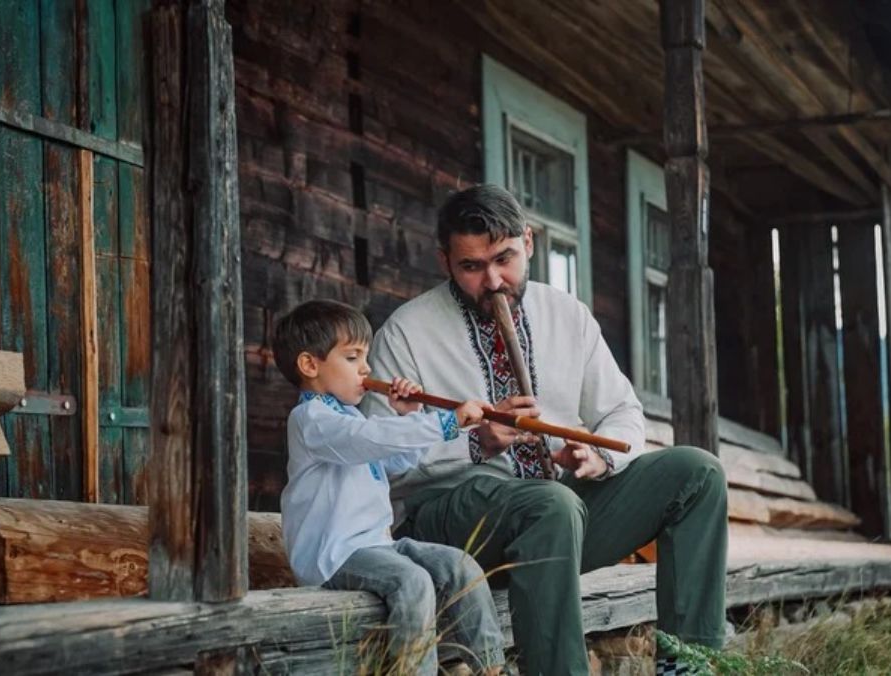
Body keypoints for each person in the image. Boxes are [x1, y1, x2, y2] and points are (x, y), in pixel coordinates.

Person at [364, 184, 729, 675]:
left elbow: (623, 413)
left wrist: (600, 460)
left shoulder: (567, 315)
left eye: (504, 258)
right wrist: (476, 443)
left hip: (559, 519)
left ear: (528, 242)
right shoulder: (406, 333)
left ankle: (690, 667)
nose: (493, 280)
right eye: (471, 266)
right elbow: (374, 462)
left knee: (697, 473)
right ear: (445, 261)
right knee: (549, 504)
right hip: (451, 530)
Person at [272, 299, 506, 675]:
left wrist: (409, 413)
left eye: (365, 358)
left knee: (459, 565)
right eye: (352, 358)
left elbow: (396, 462)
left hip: (378, 546)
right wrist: (447, 422)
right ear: (309, 365)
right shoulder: (311, 420)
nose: (366, 369)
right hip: (334, 556)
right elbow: (367, 438)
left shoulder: (348, 417)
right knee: (411, 580)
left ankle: (491, 668)